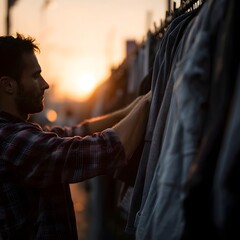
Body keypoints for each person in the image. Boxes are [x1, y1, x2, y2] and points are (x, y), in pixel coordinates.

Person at [0, 33, 151, 239]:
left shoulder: (18, 134)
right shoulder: (10, 141)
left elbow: (79, 132)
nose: (45, 84)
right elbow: (107, 150)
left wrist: (133, 107)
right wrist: (154, 98)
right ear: (8, 85)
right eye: (35, 76)